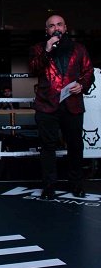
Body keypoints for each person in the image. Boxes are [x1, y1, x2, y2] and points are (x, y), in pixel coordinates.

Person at [29, 14, 93, 199]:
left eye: (59, 25)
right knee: (47, 146)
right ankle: (49, 186)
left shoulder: (79, 49)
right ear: (47, 30)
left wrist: (82, 85)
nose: (56, 28)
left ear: (65, 28)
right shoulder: (38, 49)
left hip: (72, 104)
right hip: (46, 105)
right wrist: (47, 50)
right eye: (52, 26)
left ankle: (76, 184)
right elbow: (34, 69)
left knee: (75, 145)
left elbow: (88, 72)